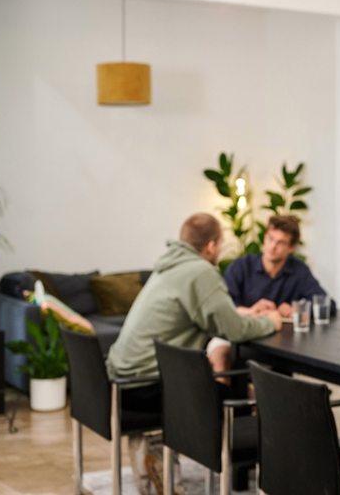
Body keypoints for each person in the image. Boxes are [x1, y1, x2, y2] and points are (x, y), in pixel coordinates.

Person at [106, 212, 282, 495]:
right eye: (220, 244)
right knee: (240, 398)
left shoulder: (168, 267)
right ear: (211, 246)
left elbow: (205, 317)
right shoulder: (201, 271)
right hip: (149, 385)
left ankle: (160, 453)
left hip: (122, 382)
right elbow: (234, 330)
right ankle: (228, 469)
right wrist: (270, 322)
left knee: (226, 389)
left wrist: (246, 313)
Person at [224, 215, 334, 317]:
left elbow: (328, 304)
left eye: (281, 243)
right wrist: (252, 311)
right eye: (270, 238)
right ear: (264, 237)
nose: (272, 246)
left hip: (286, 332)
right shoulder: (241, 266)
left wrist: (296, 309)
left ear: (292, 248)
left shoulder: (299, 270)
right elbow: (222, 307)